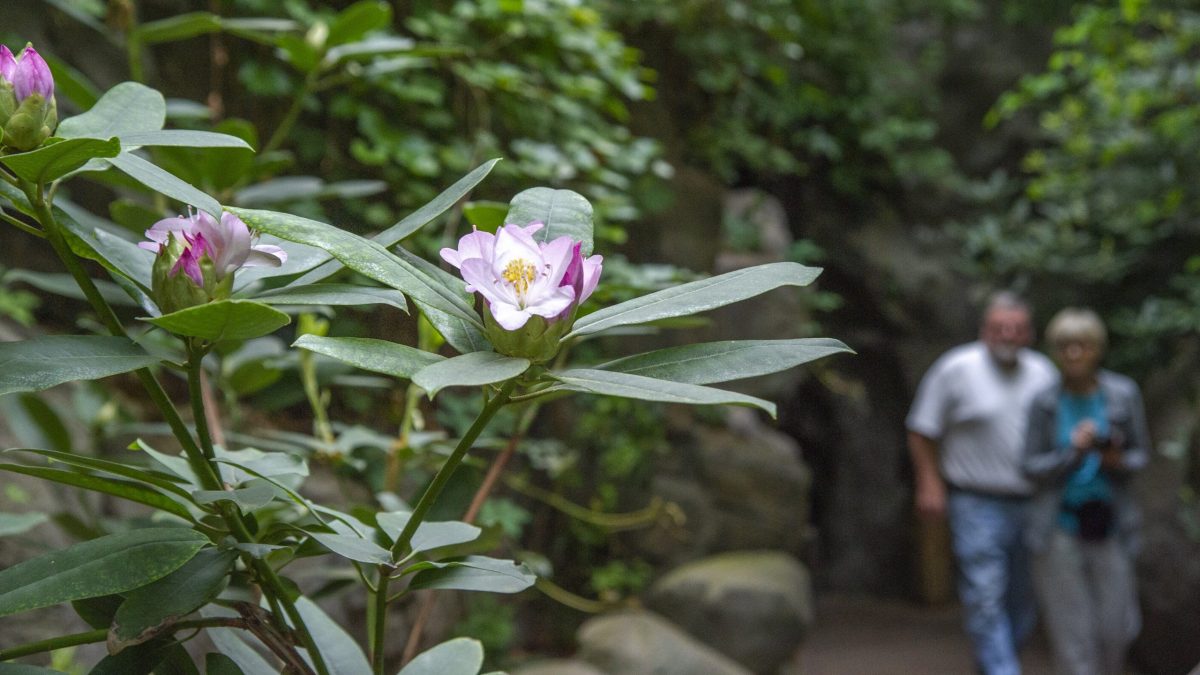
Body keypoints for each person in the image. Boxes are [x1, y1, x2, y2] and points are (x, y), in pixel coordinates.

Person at [907, 292, 1058, 675]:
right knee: (985, 595)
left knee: (1022, 601)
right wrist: (930, 483)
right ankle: (1003, 670)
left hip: (1032, 501)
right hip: (975, 502)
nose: (1007, 335)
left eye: (1016, 328)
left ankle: (993, 663)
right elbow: (922, 429)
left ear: (1030, 334)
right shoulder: (956, 368)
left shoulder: (1044, 373)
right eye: (999, 327)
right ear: (983, 330)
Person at [1022, 308, 1147, 675]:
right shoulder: (1044, 402)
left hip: (1112, 522)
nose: (1074, 354)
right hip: (1059, 526)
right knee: (1070, 633)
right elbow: (1029, 466)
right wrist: (1072, 452)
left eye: (1083, 346)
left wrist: (1114, 458)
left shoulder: (1123, 394)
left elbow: (1140, 456)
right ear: (1055, 351)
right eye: (1065, 346)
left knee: (1117, 627)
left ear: (1097, 349)